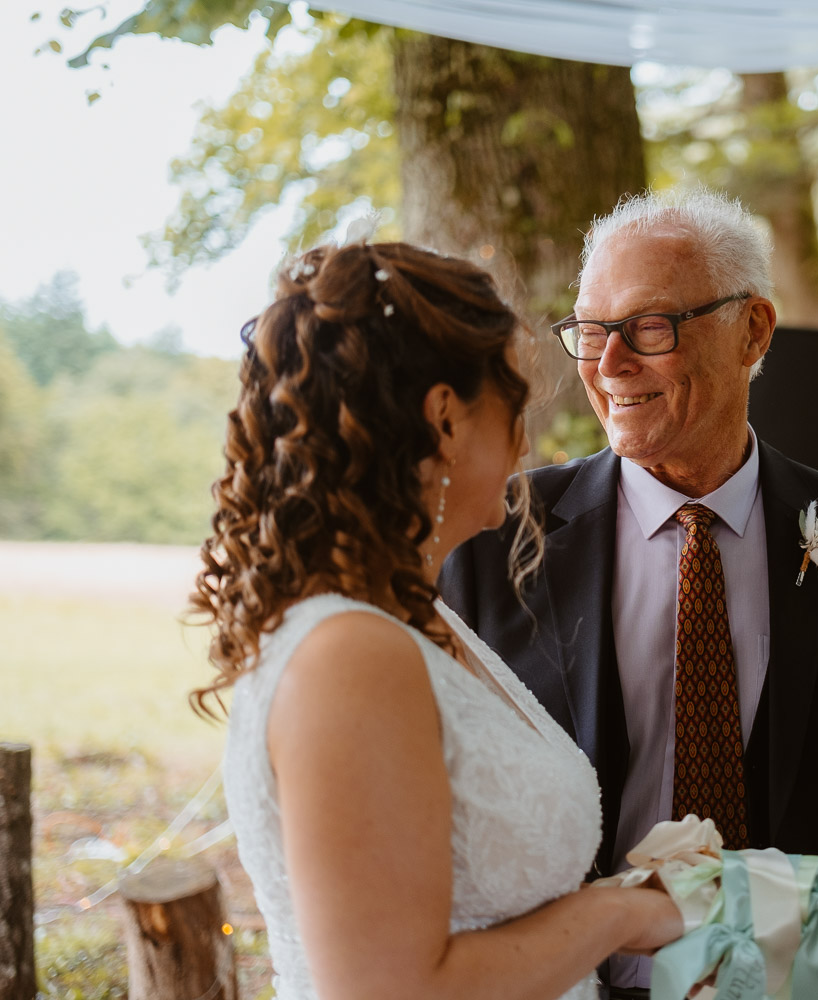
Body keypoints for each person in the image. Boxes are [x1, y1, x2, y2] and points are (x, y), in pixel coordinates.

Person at [440, 189, 818, 996]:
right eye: (591, 332)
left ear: (754, 331)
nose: (609, 365)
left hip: (797, 983)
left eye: (649, 327)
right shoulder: (495, 537)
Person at [194, 241, 682, 1000]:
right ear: (446, 419)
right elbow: (392, 988)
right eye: (513, 406)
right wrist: (617, 915)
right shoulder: (349, 652)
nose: (526, 442)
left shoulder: (416, 620)